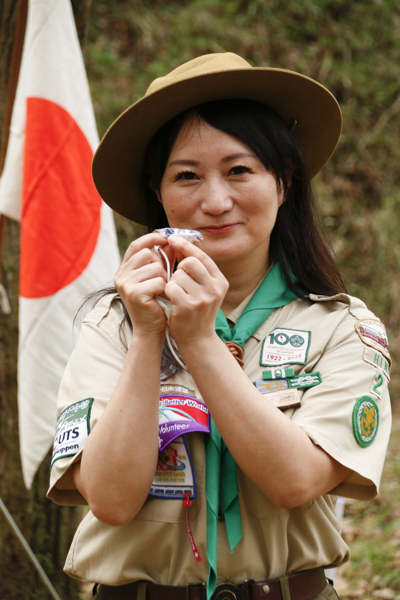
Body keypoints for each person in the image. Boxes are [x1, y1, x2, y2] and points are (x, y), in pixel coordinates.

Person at [47, 53, 391, 600]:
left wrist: (200, 342)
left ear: (284, 184)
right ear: (157, 194)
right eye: (186, 176)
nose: (214, 200)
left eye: (239, 170)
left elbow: (294, 482)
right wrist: (147, 336)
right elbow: (111, 501)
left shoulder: (340, 326)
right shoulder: (110, 323)